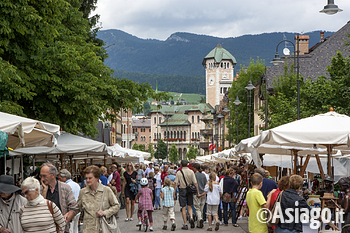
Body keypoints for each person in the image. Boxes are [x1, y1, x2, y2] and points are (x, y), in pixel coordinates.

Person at [77, 165, 120, 233]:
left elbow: (116, 205)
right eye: (86, 178)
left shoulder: (106, 190)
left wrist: (105, 212)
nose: (87, 180)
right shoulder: (83, 192)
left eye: (90, 178)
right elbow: (77, 208)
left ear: (97, 178)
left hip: (103, 228)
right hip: (88, 229)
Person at [40, 163, 79, 233]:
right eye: (41, 176)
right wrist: (44, 190)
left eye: (44, 176)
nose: (42, 179)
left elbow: (74, 207)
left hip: (62, 229)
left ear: (53, 175)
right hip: (44, 229)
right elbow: (39, 207)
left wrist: (66, 218)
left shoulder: (65, 188)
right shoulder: (40, 189)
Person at [174, 160, 199, 230]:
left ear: (181, 165)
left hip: (182, 190)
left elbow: (176, 183)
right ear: (187, 164)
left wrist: (174, 192)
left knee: (183, 207)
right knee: (190, 206)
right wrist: (197, 192)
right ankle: (191, 217)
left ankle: (185, 223)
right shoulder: (191, 172)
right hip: (189, 190)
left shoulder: (179, 172)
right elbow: (195, 183)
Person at [58, 169, 81, 233]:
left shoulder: (66, 186)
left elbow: (65, 200)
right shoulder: (76, 184)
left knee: (70, 229)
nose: (58, 181)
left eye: (60, 179)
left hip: (69, 211)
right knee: (75, 228)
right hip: (77, 210)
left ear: (65, 177)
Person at [192, 163, 206, 229]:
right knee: (201, 209)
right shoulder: (203, 175)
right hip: (203, 193)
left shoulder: (194, 175)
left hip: (196, 193)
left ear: (195, 168)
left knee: (197, 208)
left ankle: (200, 219)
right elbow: (206, 184)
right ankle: (199, 223)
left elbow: (193, 184)